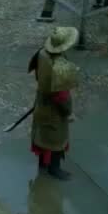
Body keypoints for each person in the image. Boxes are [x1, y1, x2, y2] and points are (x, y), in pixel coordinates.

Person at [28, 27, 81, 181]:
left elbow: (38, 76)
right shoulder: (60, 68)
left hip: (41, 101)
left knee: (42, 134)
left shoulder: (41, 53)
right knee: (56, 139)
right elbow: (62, 97)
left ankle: (42, 164)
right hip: (54, 110)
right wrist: (68, 112)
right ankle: (54, 168)